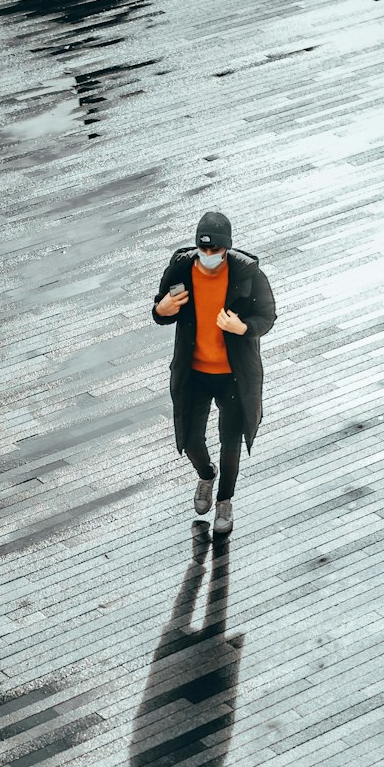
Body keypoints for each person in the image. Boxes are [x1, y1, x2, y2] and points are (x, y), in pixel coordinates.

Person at [152, 211, 277, 535]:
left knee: (230, 442)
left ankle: (225, 500)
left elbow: (267, 316)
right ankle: (206, 475)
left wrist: (242, 327)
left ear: (226, 249)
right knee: (191, 439)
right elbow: (161, 310)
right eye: (203, 250)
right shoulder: (180, 269)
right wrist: (161, 309)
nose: (209, 257)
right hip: (193, 372)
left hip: (234, 375)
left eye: (216, 251)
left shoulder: (248, 275)